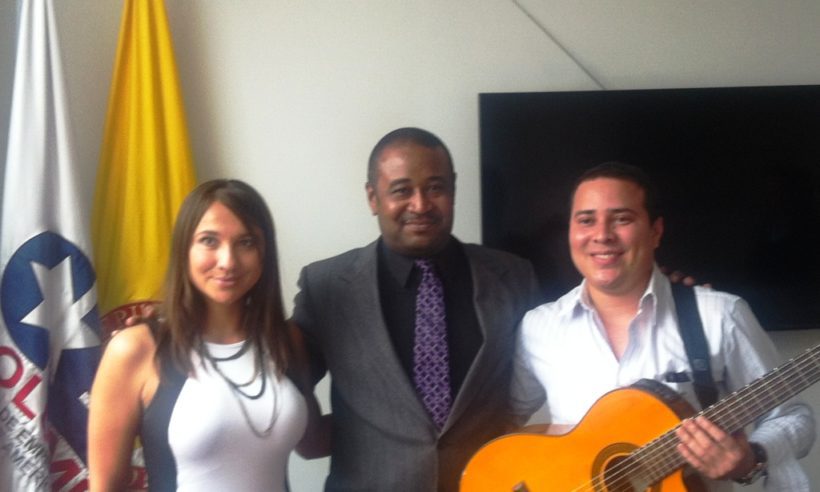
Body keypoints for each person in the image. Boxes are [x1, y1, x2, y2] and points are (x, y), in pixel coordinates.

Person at [511, 162, 815, 490]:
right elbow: (506, 417)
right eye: (586, 220)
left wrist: (750, 457)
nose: (601, 235)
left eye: (622, 219)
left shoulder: (720, 316)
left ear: (656, 231)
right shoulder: (538, 328)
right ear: (570, 231)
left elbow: (794, 418)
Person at [292, 127, 543, 491]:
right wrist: (318, 437)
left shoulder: (514, 277)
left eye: (435, 187)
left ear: (453, 190)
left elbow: (554, 376)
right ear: (372, 197)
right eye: (401, 190)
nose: (421, 204)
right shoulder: (327, 287)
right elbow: (287, 387)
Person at [88, 179, 323, 492]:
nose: (227, 261)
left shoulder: (286, 340)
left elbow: (313, 442)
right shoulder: (135, 349)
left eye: (246, 242)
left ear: (265, 253)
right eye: (209, 241)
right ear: (184, 249)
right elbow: (105, 487)